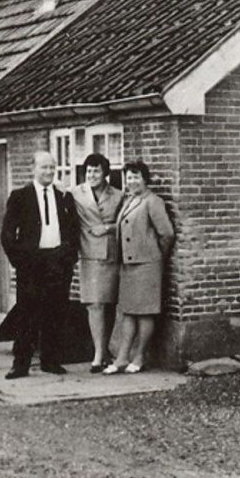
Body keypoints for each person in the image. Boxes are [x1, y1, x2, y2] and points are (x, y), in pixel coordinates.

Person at [0, 150, 78, 379]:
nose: (49, 171)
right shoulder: (20, 196)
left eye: (52, 167)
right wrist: (20, 261)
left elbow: (73, 229)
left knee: (55, 312)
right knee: (27, 313)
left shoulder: (64, 196)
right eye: (44, 167)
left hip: (58, 262)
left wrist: (68, 257)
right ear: (33, 168)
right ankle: (21, 364)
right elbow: (7, 234)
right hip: (31, 264)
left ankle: (50, 361)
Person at [104, 160, 174, 374]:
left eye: (136, 177)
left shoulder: (153, 201)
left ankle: (140, 356)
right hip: (128, 264)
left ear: (145, 179)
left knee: (144, 313)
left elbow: (167, 233)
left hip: (146, 264)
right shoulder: (129, 200)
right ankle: (122, 357)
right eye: (128, 178)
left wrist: (154, 255)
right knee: (128, 312)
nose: (132, 181)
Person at [71, 153, 124, 373]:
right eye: (89, 171)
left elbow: (126, 222)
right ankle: (98, 354)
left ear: (106, 173)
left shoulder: (118, 195)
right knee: (94, 304)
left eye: (96, 171)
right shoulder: (75, 193)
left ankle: (106, 350)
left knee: (108, 303)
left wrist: (108, 228)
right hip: (89, 254)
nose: (92, 175)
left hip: (111, 254)